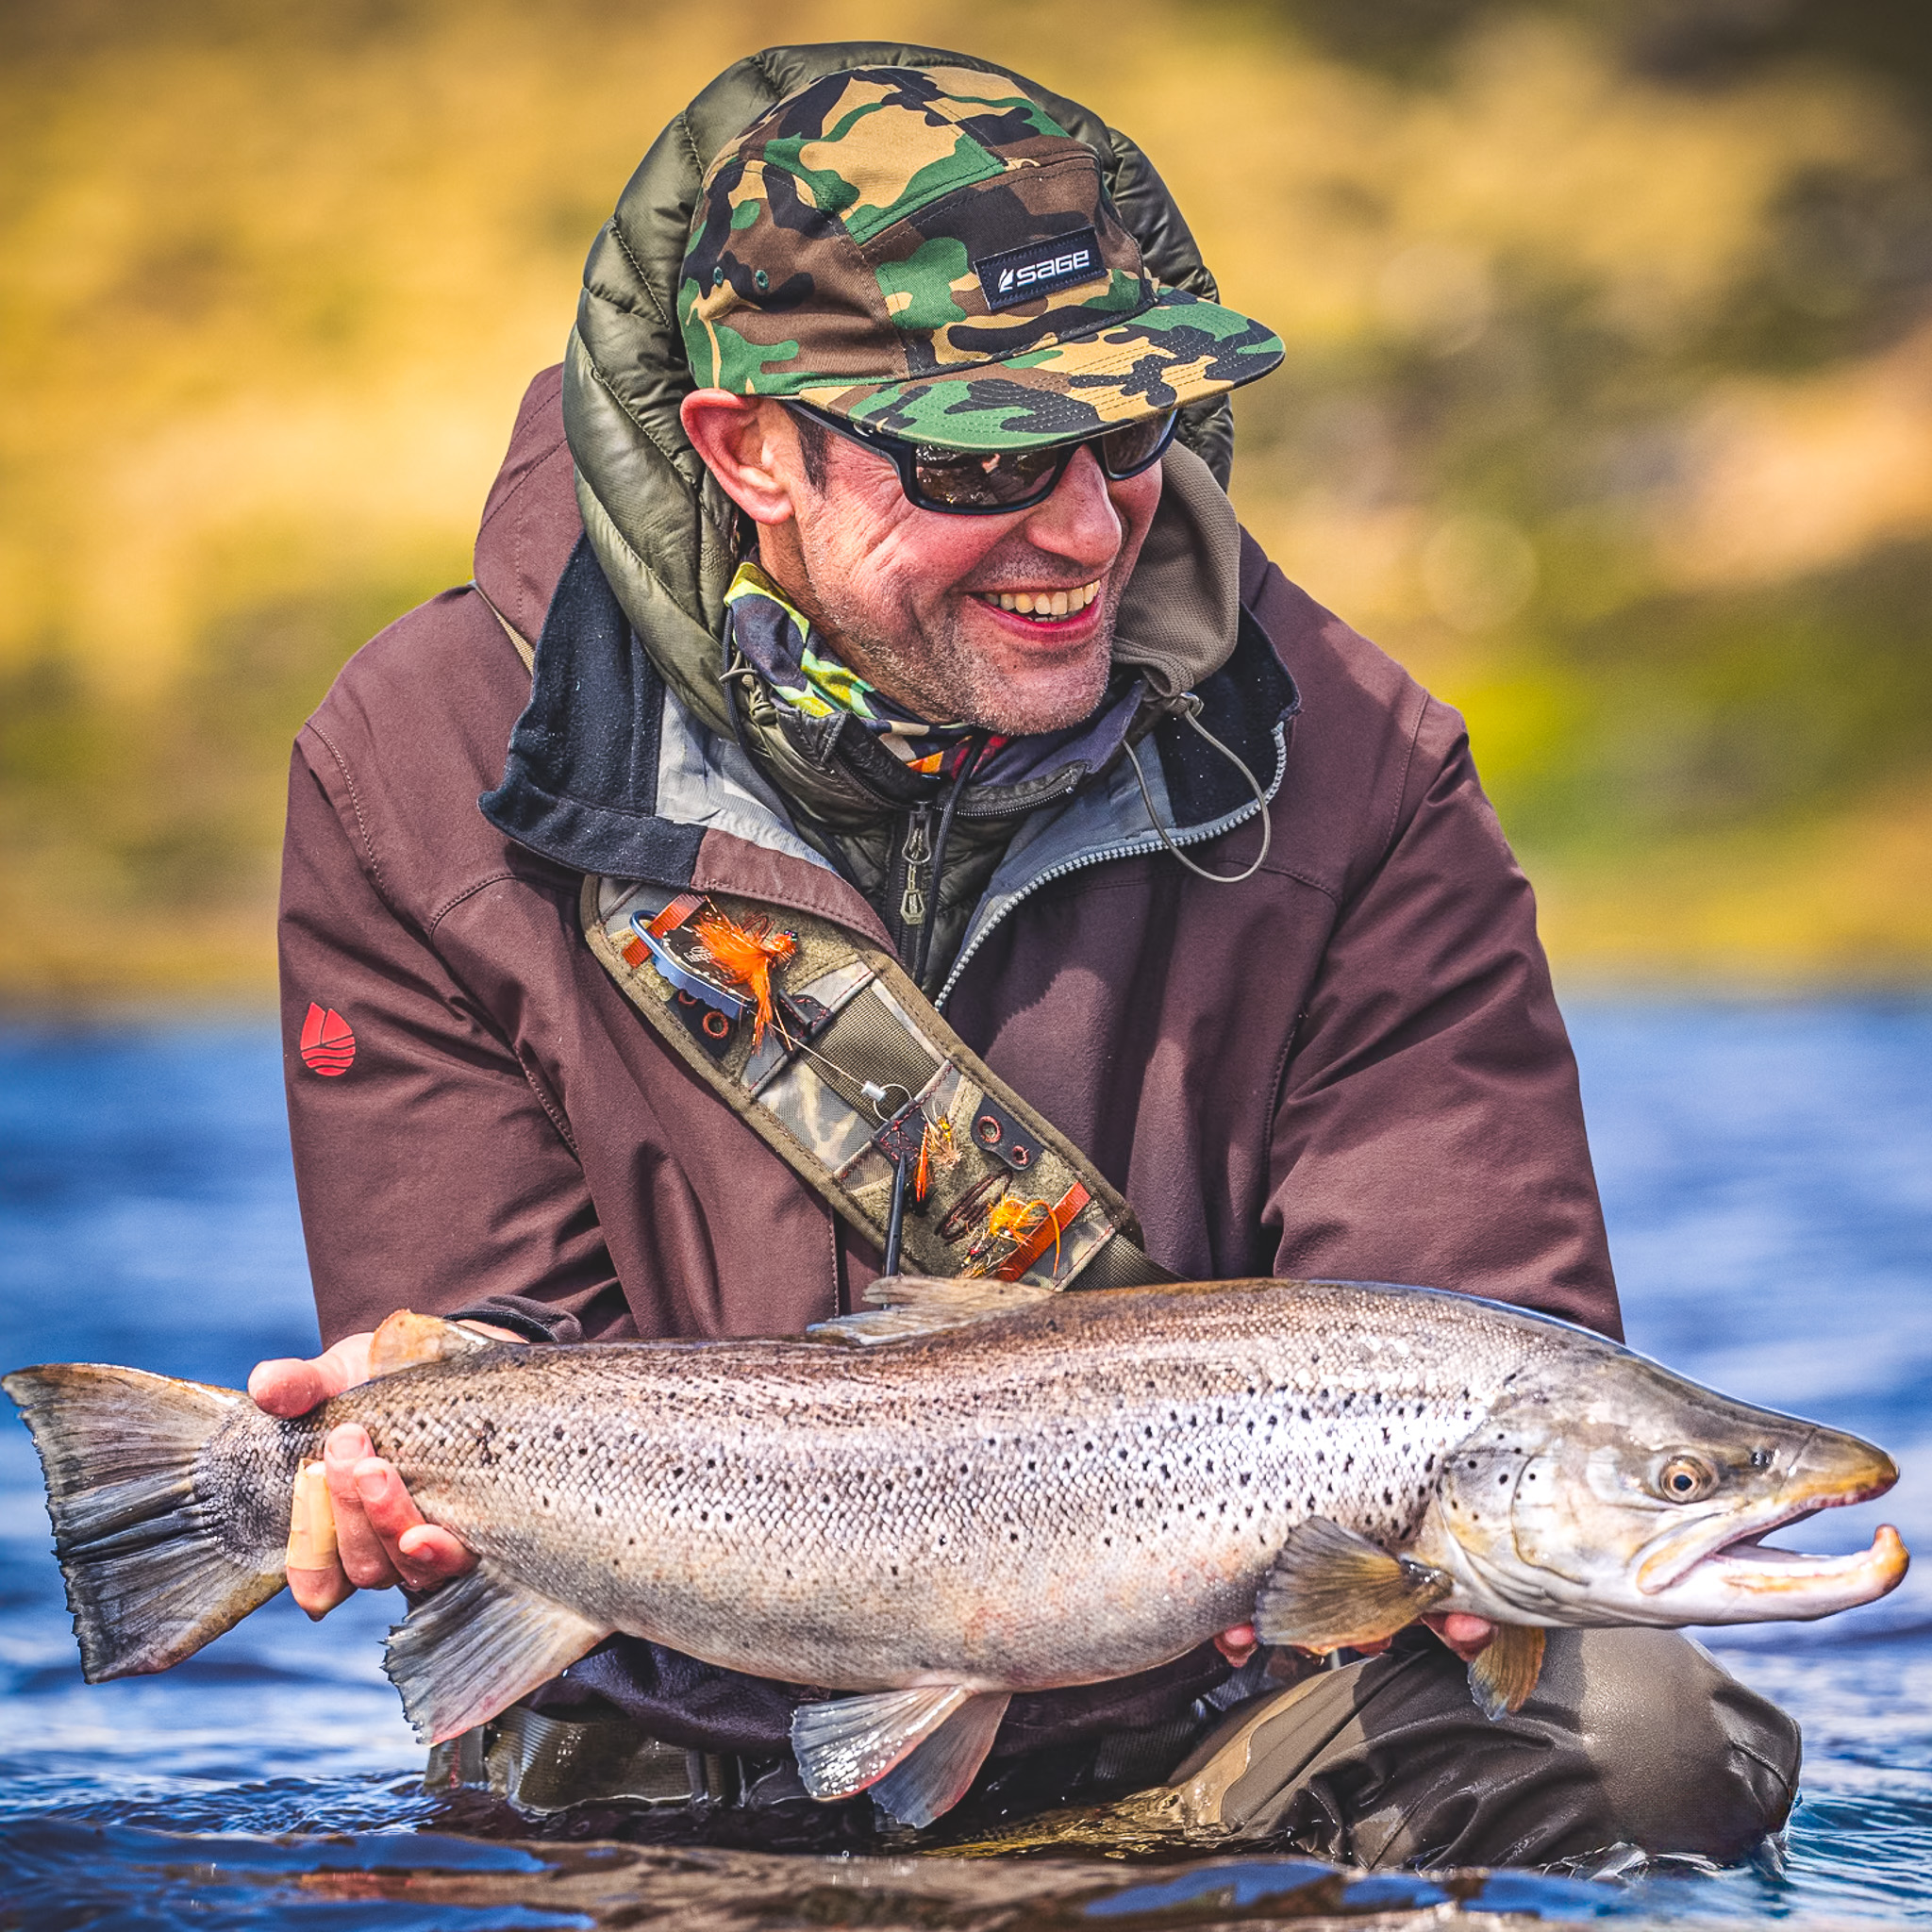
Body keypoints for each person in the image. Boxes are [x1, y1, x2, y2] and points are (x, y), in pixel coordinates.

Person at [247, 45, 1798, 1869]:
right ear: (749, 449)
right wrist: (402, 1436)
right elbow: (495, 1341)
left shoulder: (1363, 766)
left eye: (1128, 429)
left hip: (1234, 1715)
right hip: (672, 1724)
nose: (1080, 525)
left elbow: (1474, 1327)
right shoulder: (423, 764)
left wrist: (1453, 1582)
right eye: (976, 454)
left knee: (1646, 1734)